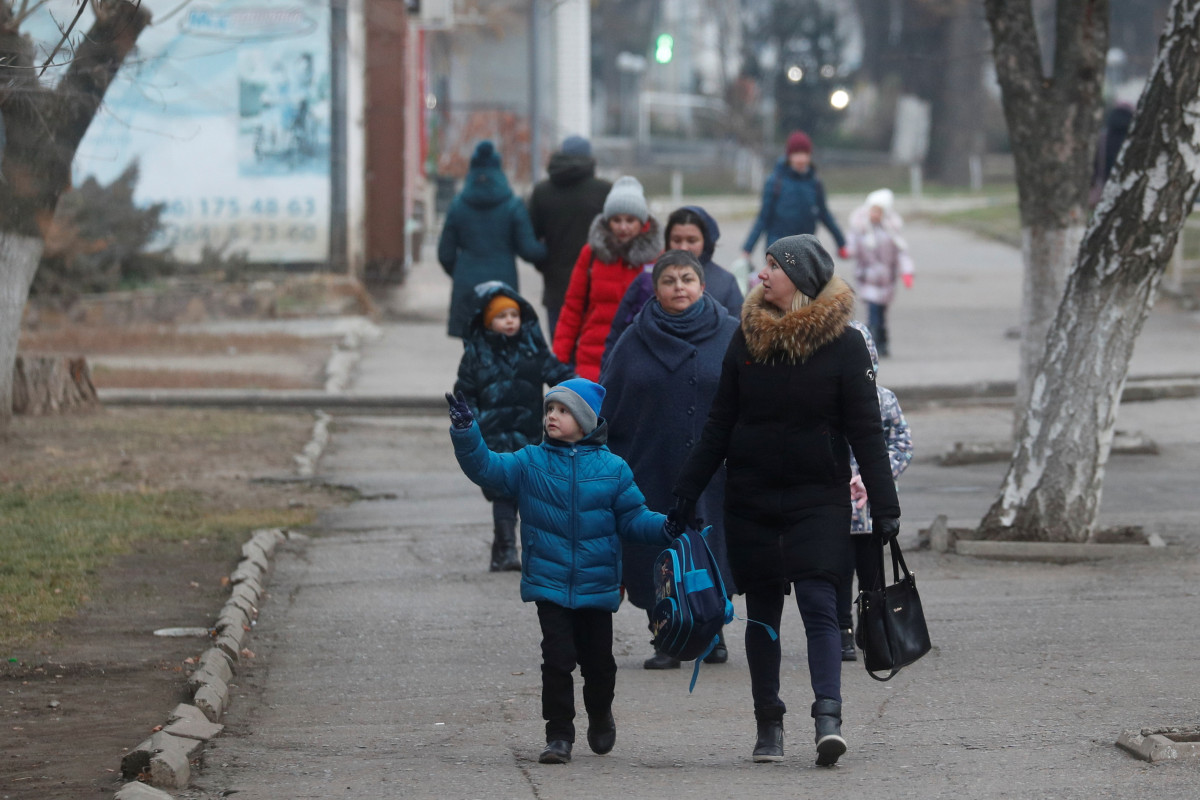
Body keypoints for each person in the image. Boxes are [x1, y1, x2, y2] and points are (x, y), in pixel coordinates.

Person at [671, 234, 901, 767]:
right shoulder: (746, 338)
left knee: (821, 605)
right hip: (750, 499)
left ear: (799, 278)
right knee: (763, 614)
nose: (761, 275)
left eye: (772, 266)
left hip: (817, 498)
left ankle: (828, 719)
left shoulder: (844, 345)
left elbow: (867, 431)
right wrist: (686, 491)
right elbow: (719, 423)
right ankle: (768, 724)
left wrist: (885, 507)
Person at [446, 378, 679, 766]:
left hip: (597, 585)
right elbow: (487, 468)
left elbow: (634, 518)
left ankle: (600, 714)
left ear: (585, 421)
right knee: (556, 660)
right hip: (549, 583)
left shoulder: (613, 469)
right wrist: (466, 431)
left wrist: (666, 527)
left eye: (563, 410)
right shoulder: (529, 462)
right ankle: (558, 735)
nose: (552, 416)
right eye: (550, 409)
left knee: (599, 664)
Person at [598, 250, 740, 670]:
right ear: (655, 289)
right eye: (669, 280)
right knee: (655, 549)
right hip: (650, 463)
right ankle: (666, 634)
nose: (679, 287)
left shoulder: (732, 333)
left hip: (717, 469)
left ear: (702, 285)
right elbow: (610, 401)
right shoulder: (634, 339)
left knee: (713, 545)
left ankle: (712, 631)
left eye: (687, 279)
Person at [453, 281, 576, 572]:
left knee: (526, 492)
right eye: (501, 316)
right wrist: (472, 420)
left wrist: (580, 390)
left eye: (514, 315)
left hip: (527, 434)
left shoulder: (532, 351)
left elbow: (559, 375)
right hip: (493, 436)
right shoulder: (476, 355)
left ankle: (506, 548)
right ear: (487, 321)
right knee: (502, 492)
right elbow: (466, 392)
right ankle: (507, 548)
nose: (509, 321)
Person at [837, 321, 913, 661]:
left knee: (872, 573)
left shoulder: (884, 399)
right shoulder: (822, 400)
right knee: (837, 572)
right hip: (835, 506)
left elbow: (902, 444)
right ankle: (841, 627)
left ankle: (872, 624)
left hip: (871, 509)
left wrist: (874, 478)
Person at [602, 206, 744, 370]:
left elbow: (738, 343)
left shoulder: (725, 283)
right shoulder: (647, 279)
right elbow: (617, 336)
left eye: (692, 240)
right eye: (676, 240)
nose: (683, 247)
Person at [552, 176, 660, 381]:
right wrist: (559, 358)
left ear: (642, 222)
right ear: (608, 221)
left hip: (639, 360)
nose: (623, 227)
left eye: (630, 220)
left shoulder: (657, 258)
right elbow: (572, 307)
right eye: (616, 220)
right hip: (592, 360)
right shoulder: (591, 254)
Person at [438, 140, 546, 338]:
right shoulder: (512, 205)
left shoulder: (458, 205)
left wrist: (460, 272)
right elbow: (529, 250)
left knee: (473, 345)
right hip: (503, 284)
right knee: (502, 343)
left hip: (467, 285)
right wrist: (550, 249)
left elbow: (445, 253)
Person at [528, 136, 613, 338]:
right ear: (590, 159)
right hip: (598, 285)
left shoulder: (542, 192)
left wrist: (545, 263)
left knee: (561, 347)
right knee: (596, 349)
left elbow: (530, 240)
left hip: (557, 288)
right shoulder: (605, 191)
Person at [741, 130, 847, 263]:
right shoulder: (775, 182)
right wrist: (747, 249)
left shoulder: (815, 183)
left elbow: (824, 214)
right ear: (789, 156)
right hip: (778, 247)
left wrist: (841, 243)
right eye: (796, 153)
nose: (801, 158)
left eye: (804, 153)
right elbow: (763, 217)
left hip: (805, 249)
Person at [845, 188, 914, 357]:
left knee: (882, 312)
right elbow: (852, 246)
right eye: (873, 210)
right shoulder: (860, 228)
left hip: (886, 279)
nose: (875, 214)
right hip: (867, 277)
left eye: (879, 211)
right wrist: (846, 251)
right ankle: (872, 343)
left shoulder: (891, 231)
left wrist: (907, 272)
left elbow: (901, 253)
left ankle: (883, 341)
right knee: (873, 312)